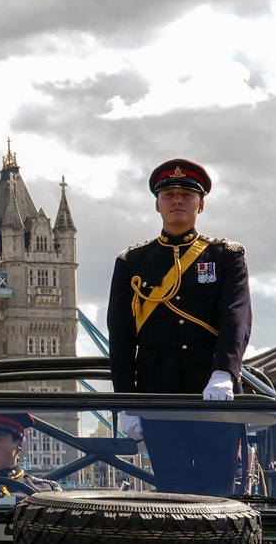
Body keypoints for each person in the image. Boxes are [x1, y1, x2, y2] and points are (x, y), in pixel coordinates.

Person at [106, 158, 252, 495]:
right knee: (172, 491)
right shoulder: (132, 261)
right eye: (169, 194)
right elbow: (122, 336)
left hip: (215, 392)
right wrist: (127, 402)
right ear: (157, 203)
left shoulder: (226, 255)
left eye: (186, 195)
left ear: (200, 204)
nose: (176, 200)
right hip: (159, 395)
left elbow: (236, 315)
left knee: (219, 492)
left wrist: (224, 373)